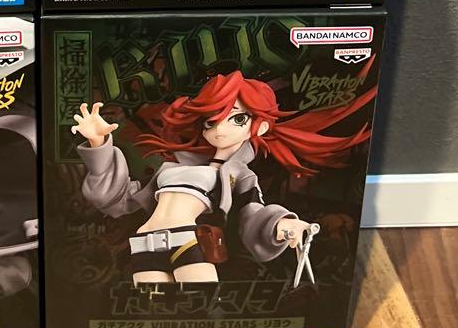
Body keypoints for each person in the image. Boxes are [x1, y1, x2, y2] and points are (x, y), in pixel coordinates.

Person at [70, 70, 374, 284]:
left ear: (260, 126)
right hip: (145, 242)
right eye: (211, 121)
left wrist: (282, 224)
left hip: (187, 241)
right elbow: (119, 200)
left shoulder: (239, 174)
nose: (220, 129)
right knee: (155, 318)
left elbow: (253, 212)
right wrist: (99, 145)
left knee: (199, 310)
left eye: (237, 118)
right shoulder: (171, 168)